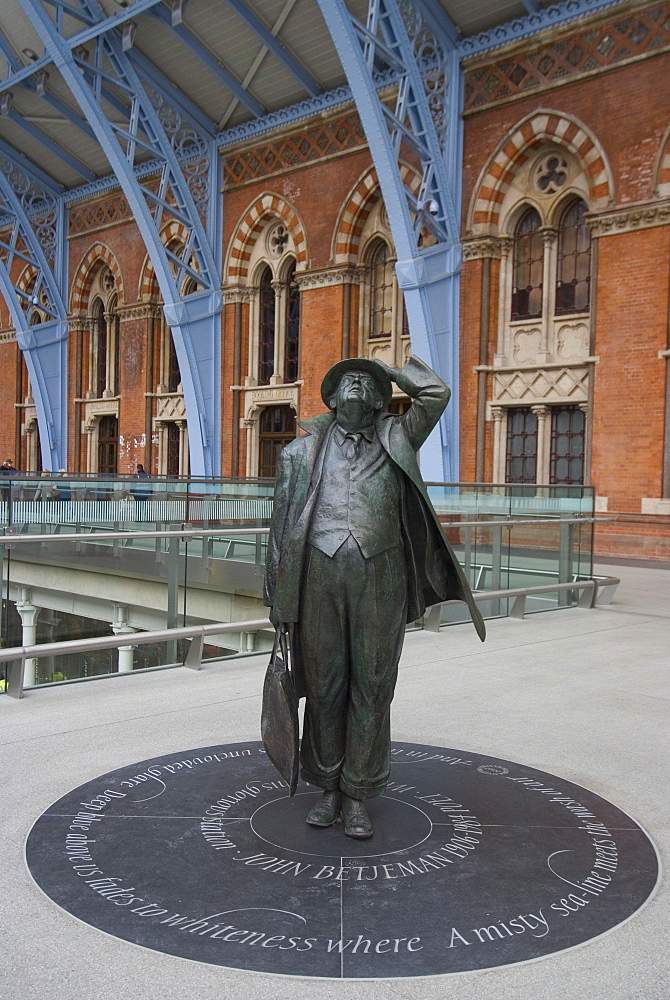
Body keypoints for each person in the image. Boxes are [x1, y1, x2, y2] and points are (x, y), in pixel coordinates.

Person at [264, 355, 485, 840]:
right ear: (332, 398)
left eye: (367, 382)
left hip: (381, 578)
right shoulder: (298, 455)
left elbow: (436, 394)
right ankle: (327, 787)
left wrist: (388, 366)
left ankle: (359, 793)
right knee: (324, 689)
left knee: (372, 687)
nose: (358, 385)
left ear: (382, 398)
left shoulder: (398, 438)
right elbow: (279, 531)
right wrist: (279, 602)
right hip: (317, 580)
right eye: (348, 381)